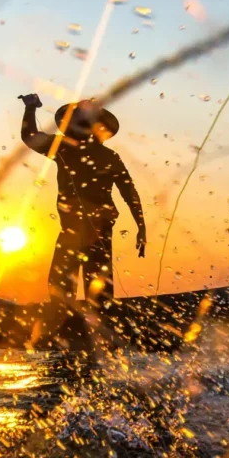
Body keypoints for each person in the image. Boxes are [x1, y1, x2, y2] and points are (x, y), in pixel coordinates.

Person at [20, 93, 146, 302]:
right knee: (73, 285)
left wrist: (141, 226)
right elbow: (31, 136)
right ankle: (78, 324)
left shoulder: (95, 154)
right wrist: (141, 226)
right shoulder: (67, 148)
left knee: (83, 286)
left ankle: (81, 325)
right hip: (77, 229)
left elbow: (129, 192)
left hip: (94, 230)